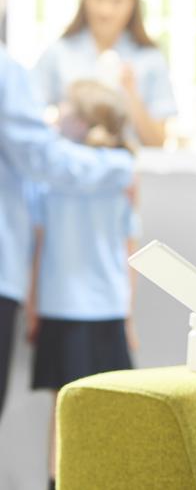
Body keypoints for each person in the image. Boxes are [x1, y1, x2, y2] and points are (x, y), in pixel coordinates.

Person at [0, 45, 133, 425]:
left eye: (66, 108)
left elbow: (129, 246)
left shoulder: (116, 172)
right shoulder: (114, 173)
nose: (54, 115)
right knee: (68, 412)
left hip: (103, 306)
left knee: (96, 413)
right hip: (58, 306)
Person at [26, 80, 138, 490]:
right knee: (101, 407)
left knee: (64, 407)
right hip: (107, 304)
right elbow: (130, 250)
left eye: (66, 107)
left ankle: (57, 482)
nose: (57, 112)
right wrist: (128, 317)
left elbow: (39, 246)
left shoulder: (49, 172)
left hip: (62, 305)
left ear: (85, 119)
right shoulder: (123, 169)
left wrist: (35, 306)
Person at [32, 0, 176, 146]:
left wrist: (131, 94)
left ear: (133, 5)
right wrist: (60, 121)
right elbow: (28, 118)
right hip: (70, 169)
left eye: (117, 1)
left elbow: (157, 142)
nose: (105, 10)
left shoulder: (150, 58)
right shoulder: (59, 52)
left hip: (130, 172)